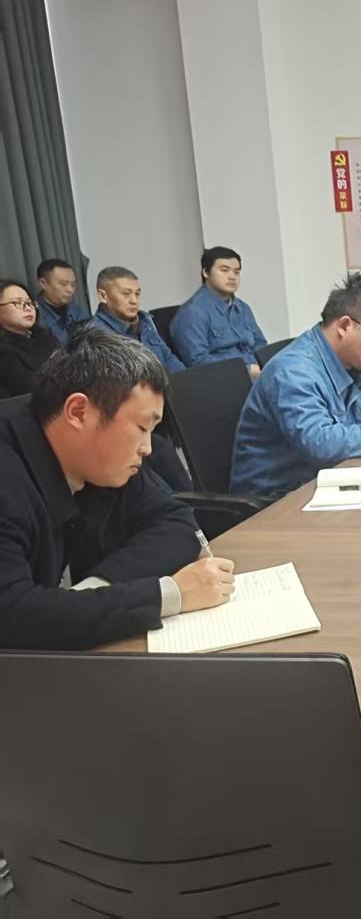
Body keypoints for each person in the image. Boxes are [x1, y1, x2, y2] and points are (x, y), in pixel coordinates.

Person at [0, 329, 235, 650]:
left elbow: (178, 523)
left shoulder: (100, 460)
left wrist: (91, 593)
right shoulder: (10, 476)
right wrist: (167, 595)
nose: (147, 448)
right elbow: (11, 616)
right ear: (78, 412)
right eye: (141, 428)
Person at [231, 272, 361, 497]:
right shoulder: (293, 372)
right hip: (280, 499)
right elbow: (321, 444)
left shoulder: (355, 361)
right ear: (345, 326)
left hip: (333, 480)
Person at [170, 245, 269, 373]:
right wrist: (245, 370)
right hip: (224, 378)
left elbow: (261, 345)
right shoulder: (191, 313)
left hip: (258, 373)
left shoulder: (243, 308)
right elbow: (198, 362)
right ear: (205, 272)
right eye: (224, 270)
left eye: (236, 272)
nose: (232, 276)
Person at [90, 266, 186, 373]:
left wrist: (186, 378)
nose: (134, 301)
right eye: (126, 294)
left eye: (137, 293)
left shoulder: (146, 321)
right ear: (103, 296)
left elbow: (168, 358)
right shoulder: (95, 336)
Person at [0, 280, 60, 398]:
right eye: (17, 303)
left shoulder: (46, 336)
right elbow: (28, 388)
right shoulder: (4, 352)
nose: (27, 308)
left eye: (29, 303)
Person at [33, 257, 89, 345]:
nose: (70, 290)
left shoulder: (76, 311)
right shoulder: (34, 314)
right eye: (63, 284)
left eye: (73, 284)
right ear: (43, 283)